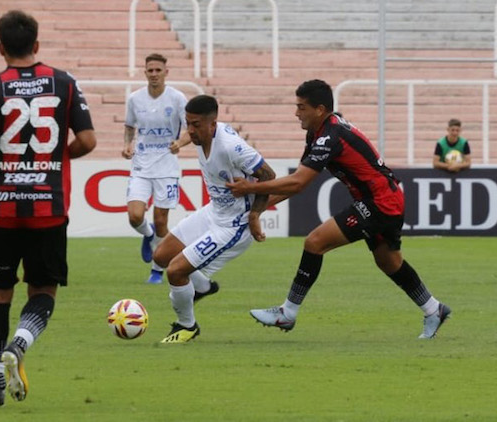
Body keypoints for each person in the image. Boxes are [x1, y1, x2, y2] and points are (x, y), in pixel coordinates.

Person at [226, 79, 451, 340]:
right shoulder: (318, 133)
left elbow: (298, 182)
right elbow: (297, 184)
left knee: (315, 242)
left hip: (380, 202)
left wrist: (250, 189)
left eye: (301, 107)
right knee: (389, 262)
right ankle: (434, 309)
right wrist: (258, 210)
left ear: (319, 109)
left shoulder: (330, 136)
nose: (296, 113)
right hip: (384, 198)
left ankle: (287, 313)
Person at [0, 10, 96, 407]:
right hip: (48, 209)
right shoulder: (65, 83)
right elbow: (88, 141)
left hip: (1, 208)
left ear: (0, 47)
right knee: (43, 289)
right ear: (36, 45)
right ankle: (19, 344)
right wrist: (58, 158)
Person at [153, 95, 276, 343]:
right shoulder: (199, 134)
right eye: (187, 123)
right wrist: (181, 139)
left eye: (195, 124)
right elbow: (189, 134)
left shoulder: (231, 147)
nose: (190, 130)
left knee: (176, 271)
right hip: (213, 212)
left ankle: (186, 326)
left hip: (232, 227)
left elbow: (269, 175)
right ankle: (203, 287)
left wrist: (254, 214)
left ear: (213, 124)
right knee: (161, 256)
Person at [123, 53, 190, 284]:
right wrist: (127, 144)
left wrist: (180, 142)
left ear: (166, 72)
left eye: (158, 70)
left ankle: (156, 270)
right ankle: (148, 234)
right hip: (141, 164)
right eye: (150, 70)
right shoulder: (135, 99)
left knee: (162, 220)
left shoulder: (177, 98)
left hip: (167, 166)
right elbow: (130, 126)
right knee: (134, 216)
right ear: (145, 72)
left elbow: (192, 128)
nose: (154, 74)